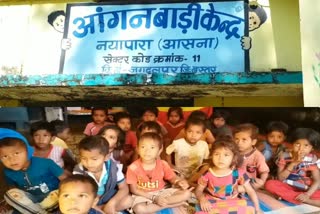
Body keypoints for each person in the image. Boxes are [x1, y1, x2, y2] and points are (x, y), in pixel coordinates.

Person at [0, 128, 68, 214]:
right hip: (30, 201)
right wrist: (11, 202)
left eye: (16, 153)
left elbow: (66, 180)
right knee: (9, 194)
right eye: (5, 156)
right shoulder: (8, 172)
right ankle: (39, 212)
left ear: (27, 151)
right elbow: (13, 189)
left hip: (53, 197)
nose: (12, 159)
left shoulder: (46, 163)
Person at [126, 132, 192, 213]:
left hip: (162, 192)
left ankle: (162, 204)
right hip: (144, 195)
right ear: (137, 149)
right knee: (139, 209)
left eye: (152, 147)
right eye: (143, 147)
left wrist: (178, 182)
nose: (147, 151)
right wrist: (154, 198)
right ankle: (171, 204)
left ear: (160, 150)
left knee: (187, 193)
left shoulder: (163, 164)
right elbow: (134, 190)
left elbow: (172, 178)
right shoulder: (132, 168)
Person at [195, 139, 262, 214]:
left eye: (226, 155)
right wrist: (202, 199)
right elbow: (198, 191)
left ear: (234, 157)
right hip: (213, 202)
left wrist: (257, 209)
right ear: (211, 156)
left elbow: (250, 191)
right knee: (201, 211)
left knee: (249, 208)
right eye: (216, 154)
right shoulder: (208, 174)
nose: (221, 158)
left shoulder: (238, 173)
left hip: (233, 201)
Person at [73, 135, 132, 213]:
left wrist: (111, 203)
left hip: (108, 197)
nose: (89, 163)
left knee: (129, 200)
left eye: (94, 159)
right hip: (91, 201)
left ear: (106, 157)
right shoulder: (79, 171)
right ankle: (102, 209)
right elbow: (80, 194)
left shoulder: (113, 167)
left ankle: (105, 208)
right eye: (84, 158)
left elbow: (124, 188)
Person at [265, 128, 320, 206]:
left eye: (306, 146)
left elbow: (317, 181)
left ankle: (295, 198)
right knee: (269, 184)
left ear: (312, 148)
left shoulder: (312, 159)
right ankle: (306, 201)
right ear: (292, 144)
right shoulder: (284, 156)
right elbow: (280, 178)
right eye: (297, 144)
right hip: (288, 186)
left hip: (306, 188)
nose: (301, 149)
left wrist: (307, 194)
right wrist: (293, 163)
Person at [233, 123, 269, 190]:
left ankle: (237, 190)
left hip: (248, 183)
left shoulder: (257, 156)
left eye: (244, 139)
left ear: (253, 142)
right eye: (236, 139)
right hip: (232, 179)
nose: (239, 142)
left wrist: (262, 182)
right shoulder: (232, 152)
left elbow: (264, 172)